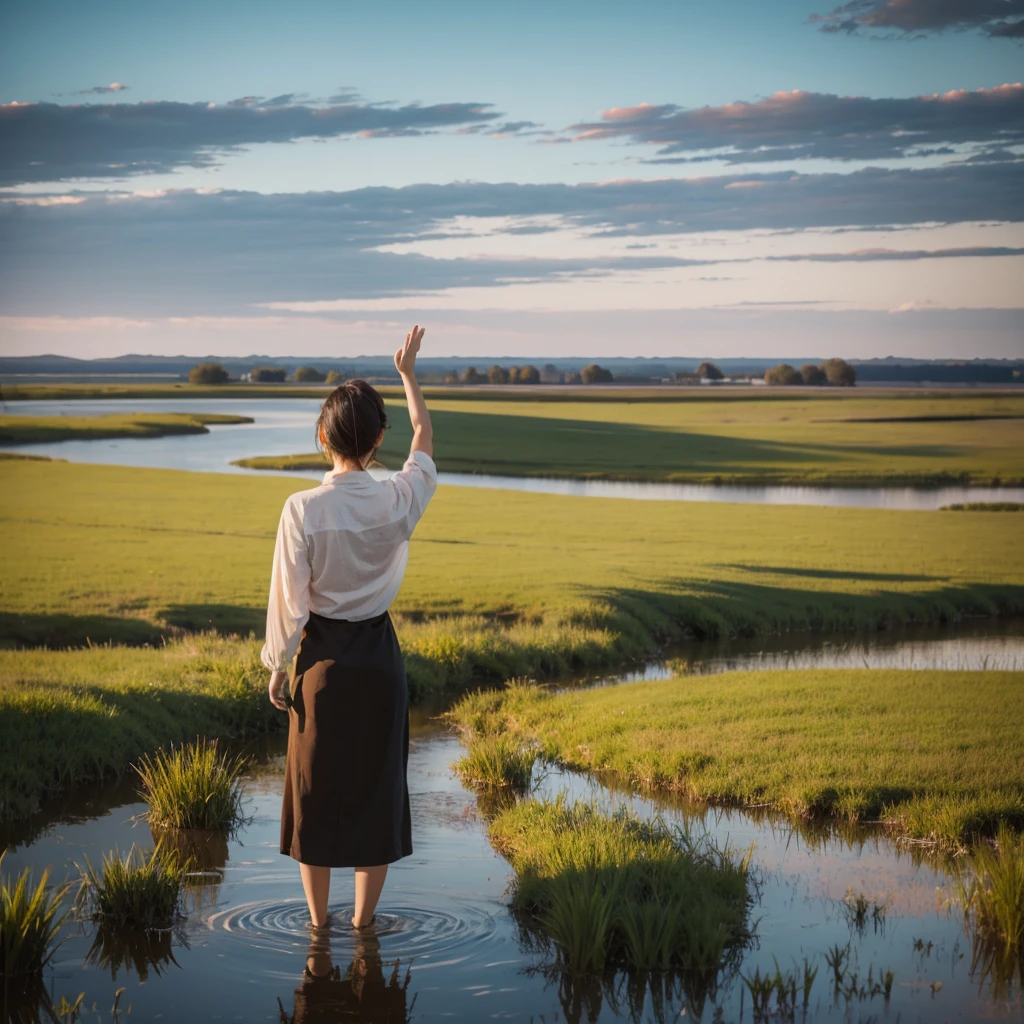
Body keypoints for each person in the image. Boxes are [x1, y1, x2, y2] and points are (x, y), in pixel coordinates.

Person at [262, 325, 436, 930]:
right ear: (377, 438)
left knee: (313, 795)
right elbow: (424, 437)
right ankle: (363, 928)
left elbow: (290, 601)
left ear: (322, 436)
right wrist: (408, 373)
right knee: (375, 794)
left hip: (320, 665)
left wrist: (277, 667)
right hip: (380, 663)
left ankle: (316, 929)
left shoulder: (302, 508)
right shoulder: (397, 500)